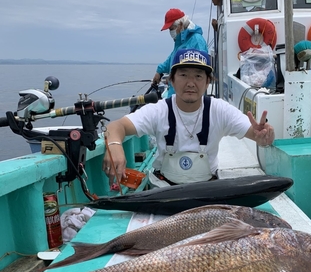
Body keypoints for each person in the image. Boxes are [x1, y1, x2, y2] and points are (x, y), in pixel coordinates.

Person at [103, 48, 275, 187]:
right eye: (183, 75)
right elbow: (117, 126)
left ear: (208, 82)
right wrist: (114, 145)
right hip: (163, 189)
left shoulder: (220, 110)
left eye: (198, 76)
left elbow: (255, 134)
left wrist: (264, 137)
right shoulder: (159, 110)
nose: (191, 83)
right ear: (171, 80)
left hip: (207, 190)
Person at [152, 9, 208, 98]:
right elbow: (171, 60)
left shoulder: (196, 40)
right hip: (175, 96)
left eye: (171, 29)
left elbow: (198, 72)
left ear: (181, 25)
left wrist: (173, 77)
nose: (170, 32)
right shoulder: (180, 42)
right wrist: (159, 71)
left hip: (186, 98)